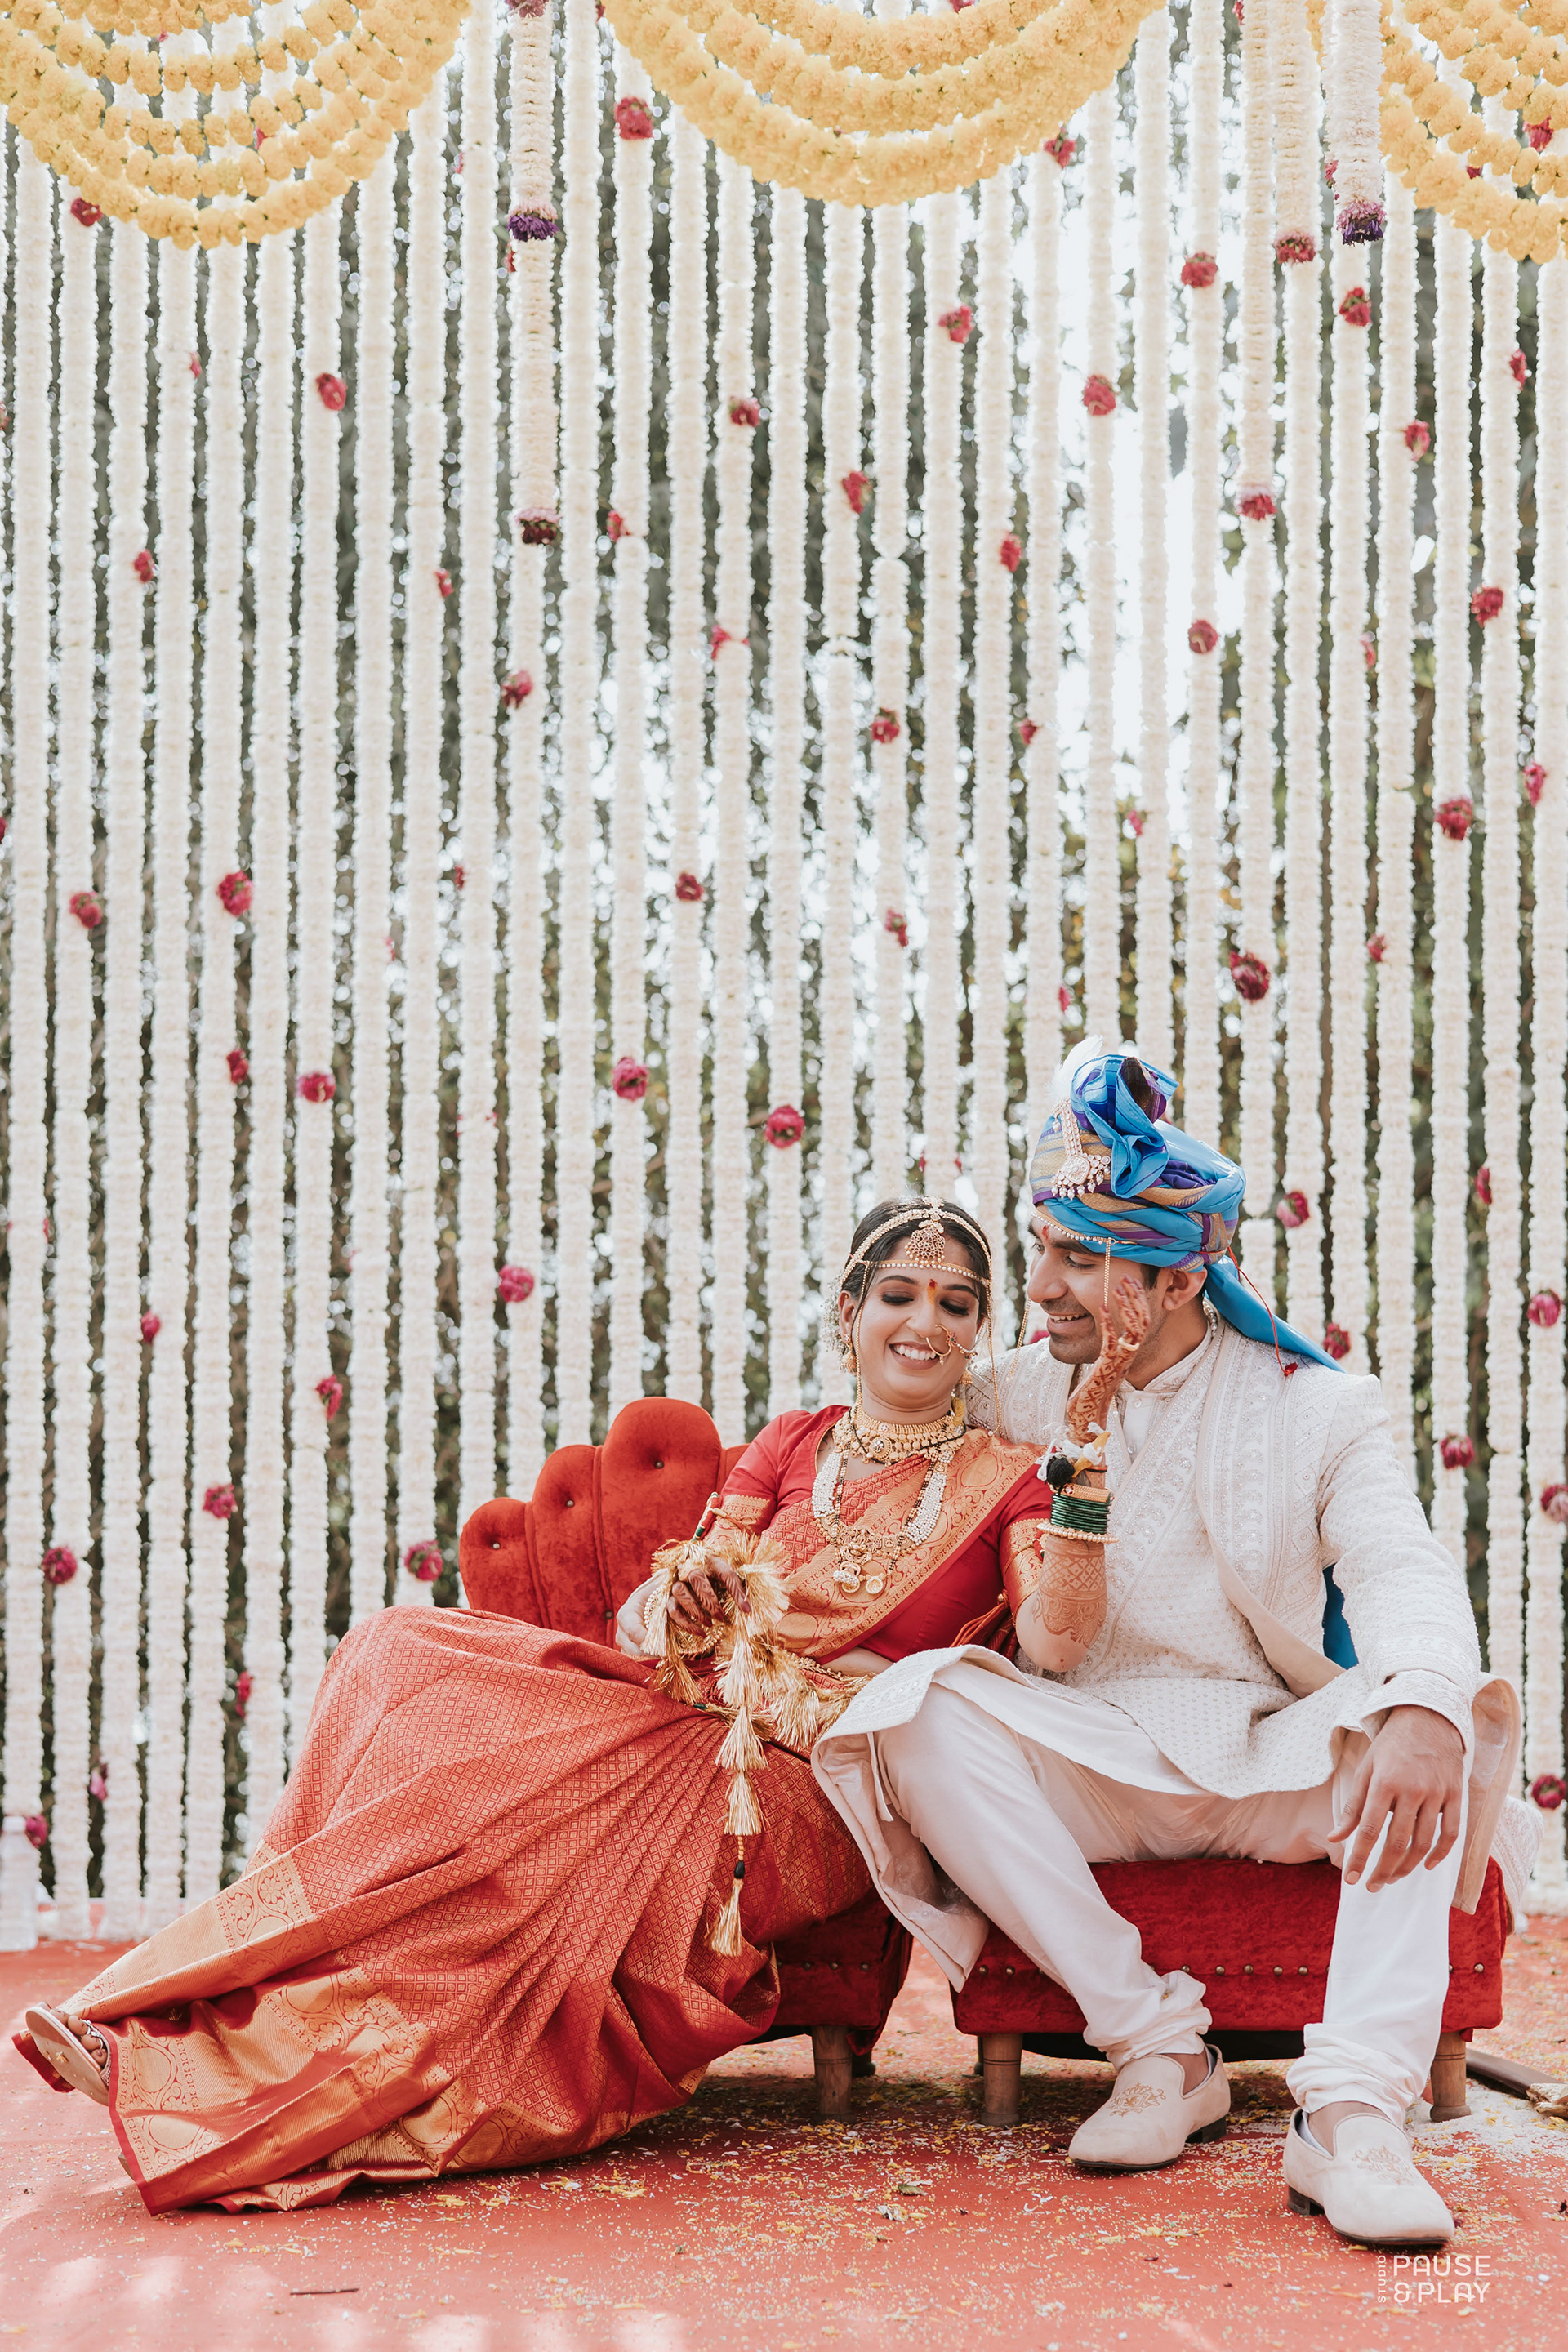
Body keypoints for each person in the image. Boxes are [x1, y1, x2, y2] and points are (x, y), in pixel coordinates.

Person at [13, 1197, 1055, 2216]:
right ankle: (174, 2029)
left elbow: (1048, 1646)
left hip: (831, 1777)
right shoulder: (792, 1443)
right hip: (689, 1711)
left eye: (956, 1303)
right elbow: (686, 1588)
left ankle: (249, 2096)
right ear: (850, 1312)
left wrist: (1084, 1489)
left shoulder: (1010, 1481)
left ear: (981, 1328)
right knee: (395, 1654)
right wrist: (684, 1596)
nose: (925, 1323)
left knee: (555, 1879)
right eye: (900, 1295)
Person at [813, 1045, 1536, 2251]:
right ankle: (1157, 2045)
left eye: (1075, 1258)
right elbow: (873, 1441)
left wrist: (1421, 1703)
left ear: (1178, 1274)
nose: (1038, 1287)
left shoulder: (1319, 1408)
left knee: (1438, 1721)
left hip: (1272, 1752)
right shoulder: (1016, 1396)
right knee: (912, 1710)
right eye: (1040, 1249)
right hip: (1093, 1755)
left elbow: (1400, 1565)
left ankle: (1353, 2117)